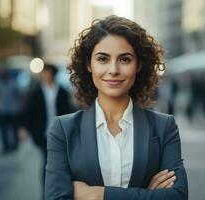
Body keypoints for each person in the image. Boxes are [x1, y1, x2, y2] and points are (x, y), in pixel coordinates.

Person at [44, 15, 188, 200]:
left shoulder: (163, 127)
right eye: (103, 59)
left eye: (125, 59)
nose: (113, 69)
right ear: (89, 64)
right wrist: (147, 195)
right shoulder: (63, 129)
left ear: (139, 65)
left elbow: (177, 197)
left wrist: (96, 194)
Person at [20, 63, 74, 185]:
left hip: (59, 132)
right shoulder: (36, 92)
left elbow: (68, 111)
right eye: (44, 73)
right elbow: (29, 110)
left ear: (53, 75)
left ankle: (55, 189)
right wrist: (24, 128)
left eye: (48, 73)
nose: (45, 75)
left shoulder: (62, 92)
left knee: (56, 162)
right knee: (48, 160)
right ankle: (47, 191)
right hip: (42, 133)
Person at [0, 67, 20, 153]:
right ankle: (5, 146)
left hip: (13, 109)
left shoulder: (13, 82)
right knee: (3, 130)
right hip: (3, 109)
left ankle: (15, 144)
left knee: (14, 128)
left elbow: (18, 94)